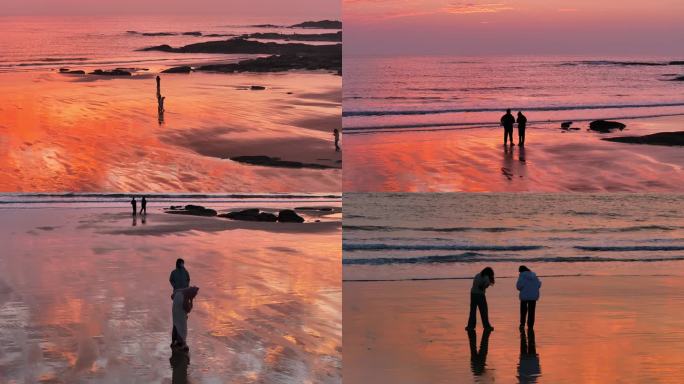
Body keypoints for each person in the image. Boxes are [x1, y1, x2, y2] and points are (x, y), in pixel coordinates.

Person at [466, 267, 495, 331]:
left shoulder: (477, 275)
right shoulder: (486, 278)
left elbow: (474, 285)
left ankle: (470, 326)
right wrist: (486, 286)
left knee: (472, 311)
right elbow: (482, 287)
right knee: (484, 311)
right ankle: (486, 326)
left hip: (473, 294)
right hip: (480, 295)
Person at [517, 265, 542, 329]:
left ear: (521, 271)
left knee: (523, 311)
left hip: (524, 296)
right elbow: (539, 284)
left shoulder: (522, 276)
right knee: (531, 311)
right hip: (533, 296)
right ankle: (530, 325)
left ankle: (522, 324)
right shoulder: (534, 276)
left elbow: (518, 287)